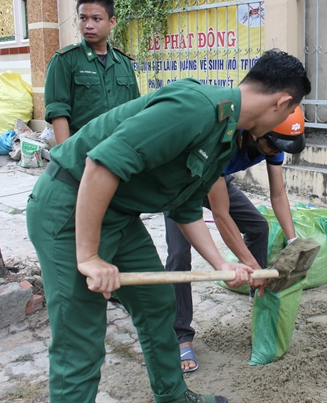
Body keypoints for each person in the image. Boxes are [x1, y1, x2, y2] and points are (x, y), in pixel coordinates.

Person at [26, 49, 311, 403]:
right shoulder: (196, 108)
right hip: (69, 205)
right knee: (80, 336)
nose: (285, 118)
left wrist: (223, 265)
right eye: (289, 111)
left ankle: (174, 396)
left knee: (158, 303)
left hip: (117, 213)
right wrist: (89, 256)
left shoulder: (226, 132)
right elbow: (101, 165)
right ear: (282, 102)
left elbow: (186, 206)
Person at [165, 106, 306, 373]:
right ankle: (181, 334)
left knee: (258, 227)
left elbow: (278, 195)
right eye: (273, 145)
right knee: (178, 255)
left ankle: (258, 295)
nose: (277, 151)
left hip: (218, 181)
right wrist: (253, 266)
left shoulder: (273, 144)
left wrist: (293, 241)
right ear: (257, 131)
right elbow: (221, 215)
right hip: (182, 184)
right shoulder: (226, 138)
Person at [44, 0, 139, 144]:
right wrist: (66, 154)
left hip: (120, 149)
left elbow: (135, 110)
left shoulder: (123, 63)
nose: (88, 25)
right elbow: (58, 110)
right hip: (83, 150)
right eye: (83, 18)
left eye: (96, 19)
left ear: (111, 22)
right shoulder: (64, 60)